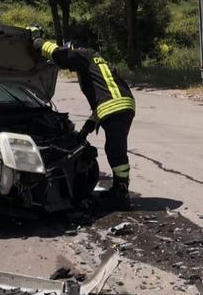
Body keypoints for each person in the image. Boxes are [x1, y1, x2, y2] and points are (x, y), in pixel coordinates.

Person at [32, 31, 135, 210]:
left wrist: (39, 44)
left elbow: (61, 56)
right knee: (115, 148)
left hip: (115, 107)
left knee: (115, 150)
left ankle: (121, 195)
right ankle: (119, 190)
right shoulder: (96, 61)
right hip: (122, 105)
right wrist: (87, 128)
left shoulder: (84, 54)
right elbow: (103, 100)